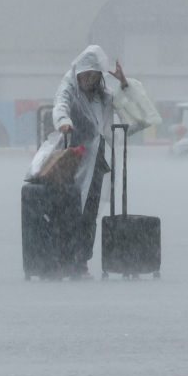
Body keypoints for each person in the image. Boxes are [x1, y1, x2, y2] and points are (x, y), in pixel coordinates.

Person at [52, 45, 129, 279]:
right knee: (69, 212)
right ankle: (65, 260)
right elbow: (60, 104)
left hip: (96, 163)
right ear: (78, 74)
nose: (89, 79)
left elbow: (129, 105)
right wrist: (64, 121)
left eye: (94, 76)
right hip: (71, 160)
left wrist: (124, 82)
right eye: (86, 75)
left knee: (89, 214)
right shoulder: (69, 89)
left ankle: (81, 262)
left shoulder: (102, 96)